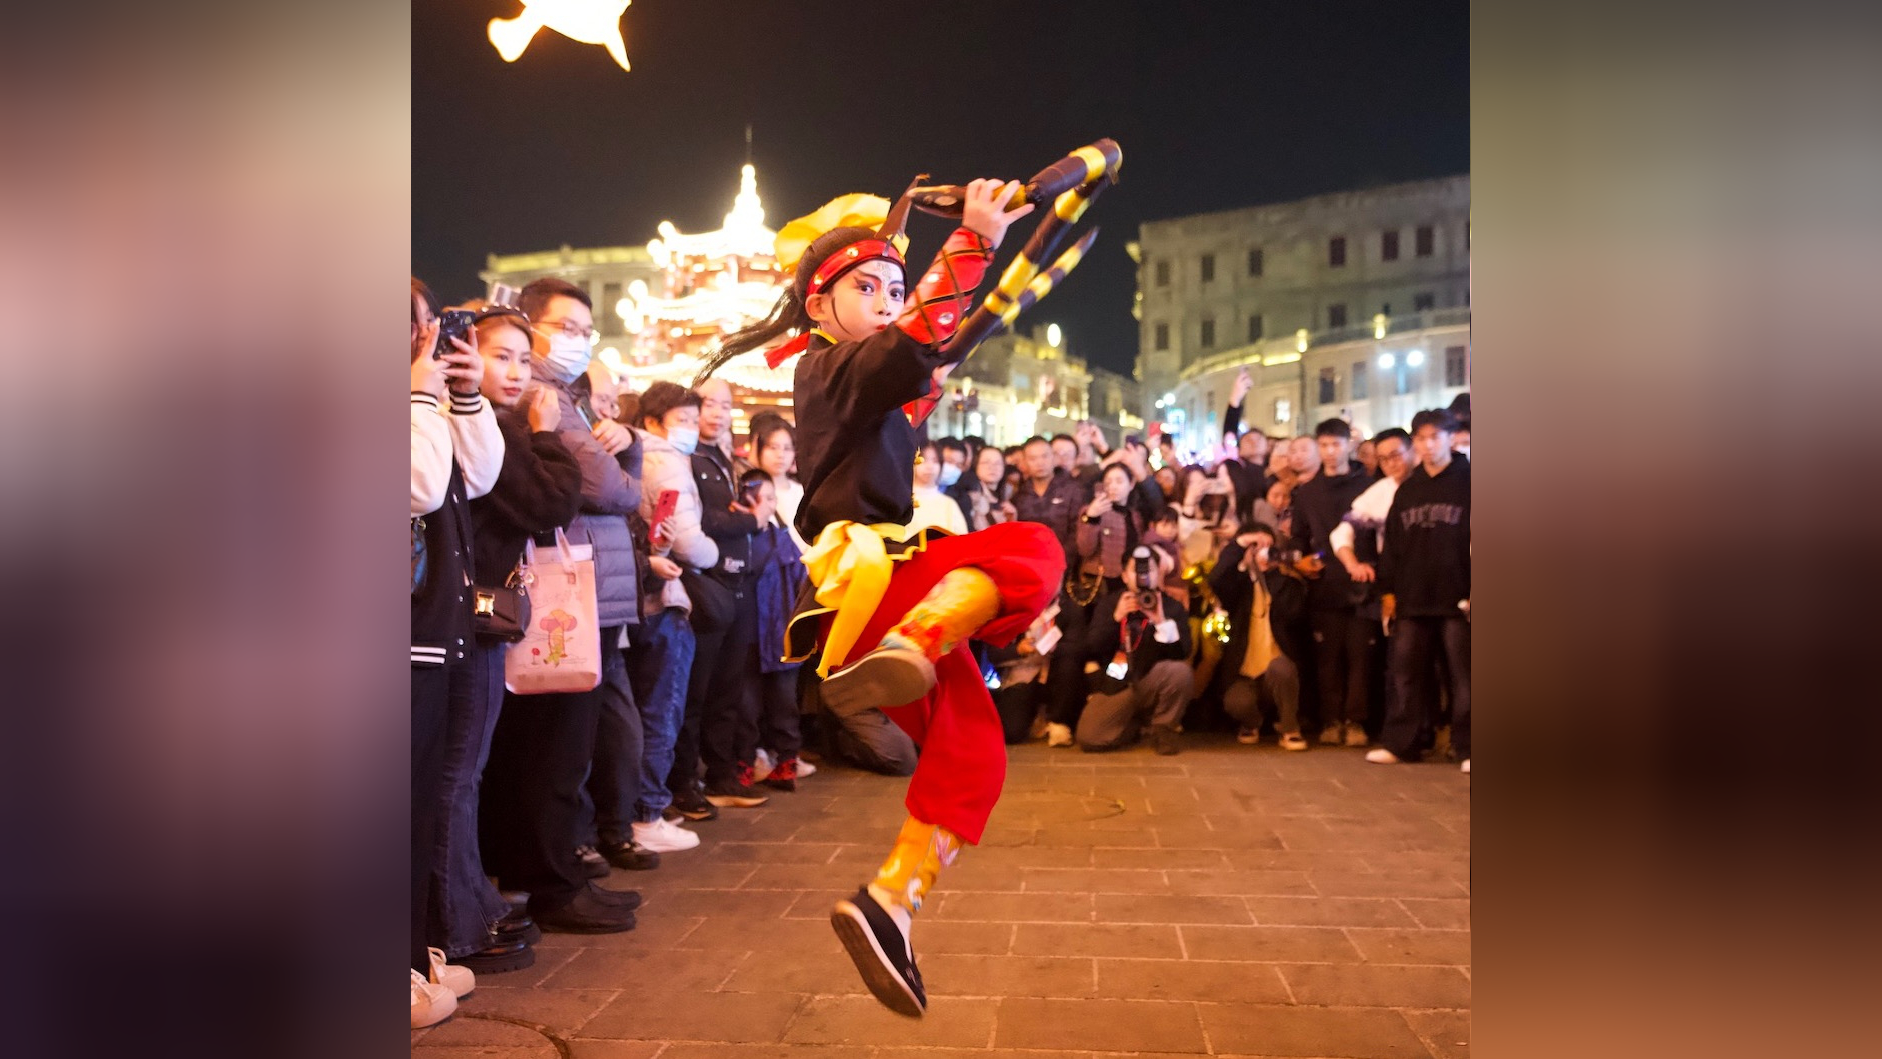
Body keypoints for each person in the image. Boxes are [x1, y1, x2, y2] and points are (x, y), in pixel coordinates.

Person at [695, 177, 1062, 1017]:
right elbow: (918, 343)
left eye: (897, 289)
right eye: (870, 287)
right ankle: (921, 642)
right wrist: (972, 238)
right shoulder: (830, 369)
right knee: (1033, 546)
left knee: (979, 754)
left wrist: (990, 288)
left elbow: (932, 352)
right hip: (884, 584)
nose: (889, 302)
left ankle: (890, 902)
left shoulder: (868, 378)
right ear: (818, 306)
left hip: (874, 607)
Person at [477, 277, 645, 936]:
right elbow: (606, 490)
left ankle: (548, 872)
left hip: (568, 592)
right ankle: (548, 880)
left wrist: (620, 438)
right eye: (565, 327)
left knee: (558, 743)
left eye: (585, 329)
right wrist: (595, 454)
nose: (577, 341)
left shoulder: (564, 401)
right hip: (550, 596)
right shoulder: (539, 406)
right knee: (552, 746)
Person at [443, 303, 583, 978]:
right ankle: (459, 918)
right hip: (462, 616)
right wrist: (548, 433)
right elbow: (551, 500)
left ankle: (470, 903)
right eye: (500, 355)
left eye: (523, 359)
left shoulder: (488, 422)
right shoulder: (481, 425)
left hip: (482, 615)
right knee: (457, 772)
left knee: (466, 769)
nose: (515, 372)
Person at [410, 278, 504, 1022]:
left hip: (434, 623)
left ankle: (414, 953)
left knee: (416, 798)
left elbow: (473, 477)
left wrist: (464, 399)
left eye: (428, 329)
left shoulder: (421, 402)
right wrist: (418, 397)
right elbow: (412, 485)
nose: (425, 344)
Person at [623, 381, 708, 851]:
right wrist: (711, 554)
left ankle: (641, 810)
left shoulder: (634, 454)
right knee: (662, 707)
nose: (693, 431)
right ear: (653, 422)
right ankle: (647, 813)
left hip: (636, 597)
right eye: (686, 420)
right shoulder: (666, 462)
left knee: (646, 707)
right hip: (660, 598)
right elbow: (689, 542)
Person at [684, 377, 771, 810]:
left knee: (727, 690)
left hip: (738, 585)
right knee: (696, 693)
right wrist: (751, 522)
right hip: (706, 586)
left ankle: (720, 777)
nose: (717, 413)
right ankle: (685, 784)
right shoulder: (686, 457)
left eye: (725, 405)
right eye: (707, 404)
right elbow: (708, 522)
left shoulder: (721, 456)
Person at [1369, 409, 1471, 772]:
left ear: (1450, 437)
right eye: (1421, 439)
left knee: (1465, 676)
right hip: (1413, 596)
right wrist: (1389, 592)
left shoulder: (1470, 480)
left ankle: (1469, 747)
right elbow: (1393, 545)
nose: (1428, 445)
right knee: (1404, 673)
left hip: (1459, 596)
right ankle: (1401, 743)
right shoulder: (1409, 488)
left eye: (1435, 437)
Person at [1288, 418, 1374, 747]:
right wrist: (1300, 560)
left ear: (1348, 445)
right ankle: (1330, 719)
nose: (1330, 451)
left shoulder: (1366, 484)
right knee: (1327, 658)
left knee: (1360, 657)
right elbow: (1298, 537)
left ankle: (1355, 721)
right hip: (1323, 586)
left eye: (1336, 444)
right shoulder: (1308, 492)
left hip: (1361, 583)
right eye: (1324, 445)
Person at [1075, 546, 1194, 755]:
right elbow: (1092, 647)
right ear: (1124, 575)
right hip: (1116, 684)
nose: (1143, 576)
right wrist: (1117, 617)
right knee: (1089, 738)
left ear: (1159, 574)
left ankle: (1163, 729)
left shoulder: (1170, 606)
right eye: (1136, 570)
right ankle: (1135, 727)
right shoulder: (1111, 603)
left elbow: (1182, 652)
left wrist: (1160, 621)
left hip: (1152, 680)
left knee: (1179, 673)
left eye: (1150, 570)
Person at [1012, 434, 1089, 748]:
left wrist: (1056, 565)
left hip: (1065, 580)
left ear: (1053, 459)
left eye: (1045, 456)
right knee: (1032, 645)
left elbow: (1077, 534)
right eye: (1033, 457)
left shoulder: (1072, 490)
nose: (1040, 462)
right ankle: (1035, 712)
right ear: (1025, 462)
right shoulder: (1019, 496)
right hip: (1028, 582)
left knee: (1066, 649)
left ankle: (1060, 718)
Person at [738, 468, 813, 790]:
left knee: (784, 705)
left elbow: (801, 584)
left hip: (781, 636)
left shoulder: (784, 539)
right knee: (745, 706)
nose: (764, 503)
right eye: (755, 497)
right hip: (746, 638)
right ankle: (744, 763)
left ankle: (785, 762)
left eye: (769, 497)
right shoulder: (738, 540)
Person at [1209, 523, 1311, 749]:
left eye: (1268, 545)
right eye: (1256, 545)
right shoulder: (1238, 584)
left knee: (1281, 668)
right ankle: (1253, 723)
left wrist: (1273, 573)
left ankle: (1290, 728)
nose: (1263, 550)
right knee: (1236, 702)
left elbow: (1294, 614)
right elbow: (1216, 580)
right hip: (1246, 673)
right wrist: (1241, 548)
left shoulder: (1288, 583)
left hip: (1278, 669)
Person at [907, 439, 968, 535]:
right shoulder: (902, 500)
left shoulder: (949, 504)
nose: (929, 466)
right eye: (923, 459)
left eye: (935, 461)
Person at [950, 442, 1013, 533]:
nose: (992, 467)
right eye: (985, 463)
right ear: (976, 466)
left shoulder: (1007, 494)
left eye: (998, 463)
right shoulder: (969, 495)